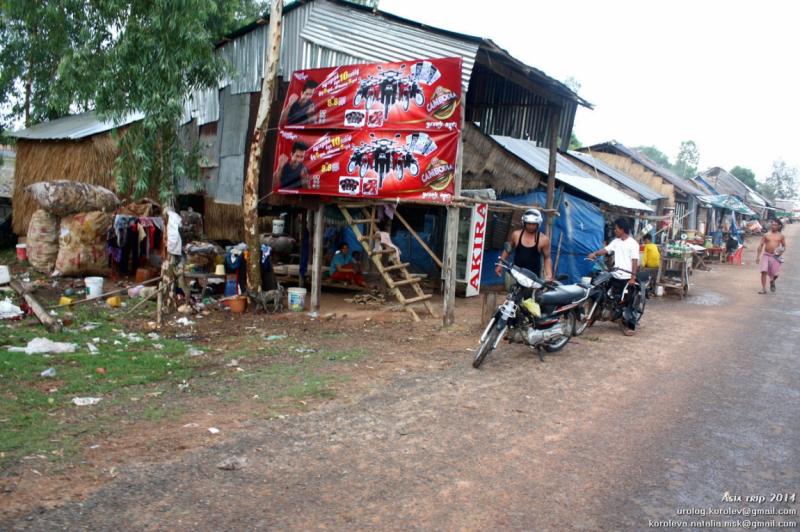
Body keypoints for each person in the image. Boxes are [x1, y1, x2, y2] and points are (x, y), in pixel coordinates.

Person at [587, 218, 640, 336]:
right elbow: (606, 250)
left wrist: (633, 277)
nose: (615, 230)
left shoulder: (633, 244)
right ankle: (593, 316)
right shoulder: (616, 241)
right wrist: (595, 254)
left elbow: (635, 261)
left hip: (627, 276)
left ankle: (631, 325)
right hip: (615, 274)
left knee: (628, 301)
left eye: (616, 228)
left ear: (622, 229)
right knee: (601, 292)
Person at [495, 208, 553, 283]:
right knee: (512, 293)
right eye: (529, 223)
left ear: (538, 224)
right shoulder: (516, 235)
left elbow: (547, 258)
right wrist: (500, 264)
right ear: (524, 223)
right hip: (515, 274)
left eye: (533, 224)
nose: (531, 226)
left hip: (533, 278)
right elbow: (507, 250)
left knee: (531, 295)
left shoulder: (543, 240)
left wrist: (549, 274)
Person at [757, 219, 787, 294]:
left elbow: (784, 246)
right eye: (772, 225)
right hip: (766, 255)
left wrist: (781, 252)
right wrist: (758, 256)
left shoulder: (781, 236)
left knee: (775, 274)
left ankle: (772, 280)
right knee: (763, 271)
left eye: (775, 225)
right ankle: (763, 289)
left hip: (775, 257)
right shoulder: (766, 235)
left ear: (779, 226)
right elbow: (760, 245)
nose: (773, 226)